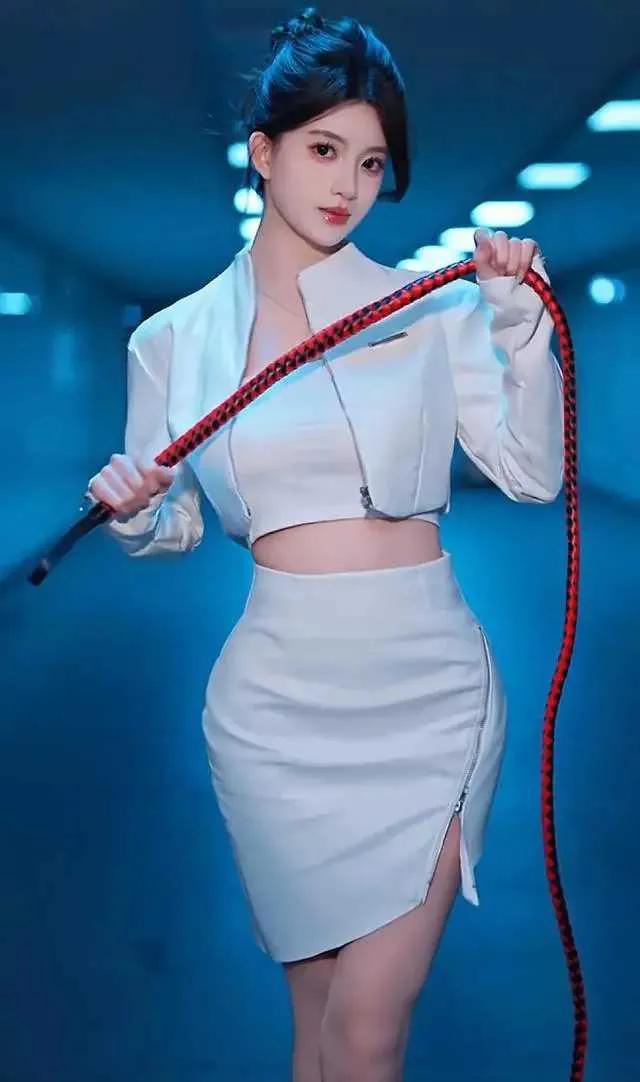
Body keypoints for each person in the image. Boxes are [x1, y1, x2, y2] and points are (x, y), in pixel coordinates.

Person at [85, 7, 564, 1080]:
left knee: (366, 1029)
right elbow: (173, 524)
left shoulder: (428, 311)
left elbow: (531, 474)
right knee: (314, 1031)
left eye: (371, 161)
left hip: (428, 694)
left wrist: (518, 328)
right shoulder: (170, 342)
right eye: (322, 149)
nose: (347, 184)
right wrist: (133, 508)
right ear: (263, 152)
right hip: (276, 712)